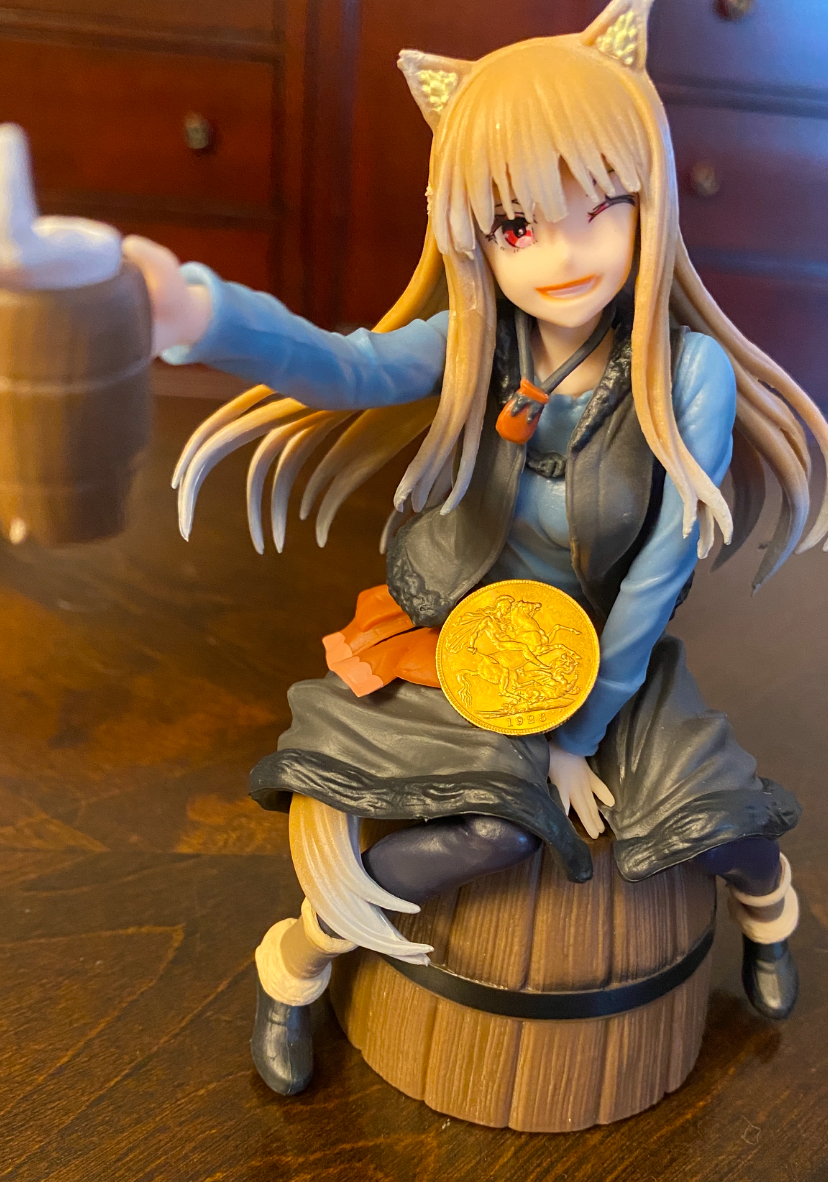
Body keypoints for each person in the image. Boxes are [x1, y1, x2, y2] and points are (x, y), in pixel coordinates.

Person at [125, 0, 826, 1097]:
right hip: (468, 638)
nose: (565, 253)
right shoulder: (476, 343)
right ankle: (300, 957)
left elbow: (659, 568)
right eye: (517, 225)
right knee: (488, 833)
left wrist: (580, 729)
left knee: (717, 814)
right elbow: (349, 366)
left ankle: (770, 912)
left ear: (649, 199)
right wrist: (200, 315)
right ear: (473, 235)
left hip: (609, 654)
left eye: (600, 205)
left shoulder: (685, 373)